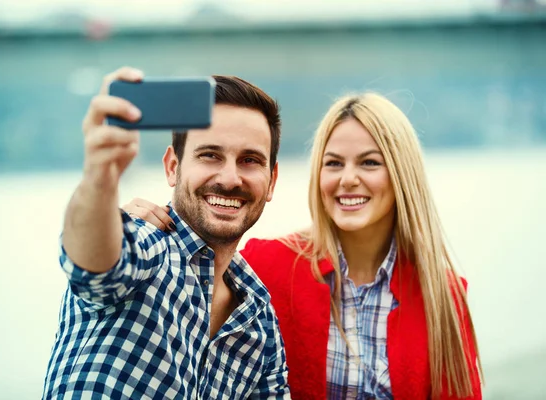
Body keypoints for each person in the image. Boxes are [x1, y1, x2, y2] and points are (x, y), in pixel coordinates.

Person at [125, 92, 483, 399]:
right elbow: (178, 302)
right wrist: (124, 229)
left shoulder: (445, 295)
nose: (348, 179)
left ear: (402, 175)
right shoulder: (265, 267)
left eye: (369, 163)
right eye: (333, 163)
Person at [42, 66, 290, 399]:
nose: (230, 178)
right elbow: (92, 265)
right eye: (210, 155)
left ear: (271, 181)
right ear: (173, 167)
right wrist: (100, 177)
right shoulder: (144, 244)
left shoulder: (259, 318)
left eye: (249, 160)